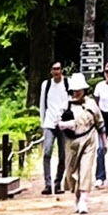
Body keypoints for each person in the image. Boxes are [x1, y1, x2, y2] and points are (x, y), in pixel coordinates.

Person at [57, 72, 105, 214]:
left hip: (88, 140)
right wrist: (65, 124)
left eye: (80, 90)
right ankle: (77, 195)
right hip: (71, 142)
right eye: (75, 90)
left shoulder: (91, 104)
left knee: (86, 169)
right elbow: (57, 121)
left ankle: (84, 198)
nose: (77, 93)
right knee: (71, 173)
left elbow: (99, 123)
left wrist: (104, 141)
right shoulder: (65, 104)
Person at [39, 61, 68, 195]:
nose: (56, 71)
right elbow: (42, 104)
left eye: (58, 69)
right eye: (54, 69)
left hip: (63, 124)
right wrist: (42, 123)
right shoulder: (47, 85)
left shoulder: (67, 83)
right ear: (51, 71)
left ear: (62, 70)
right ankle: (47, 183)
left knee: (63, 155)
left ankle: (58, 183)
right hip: (49, 123)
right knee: (47, 152)